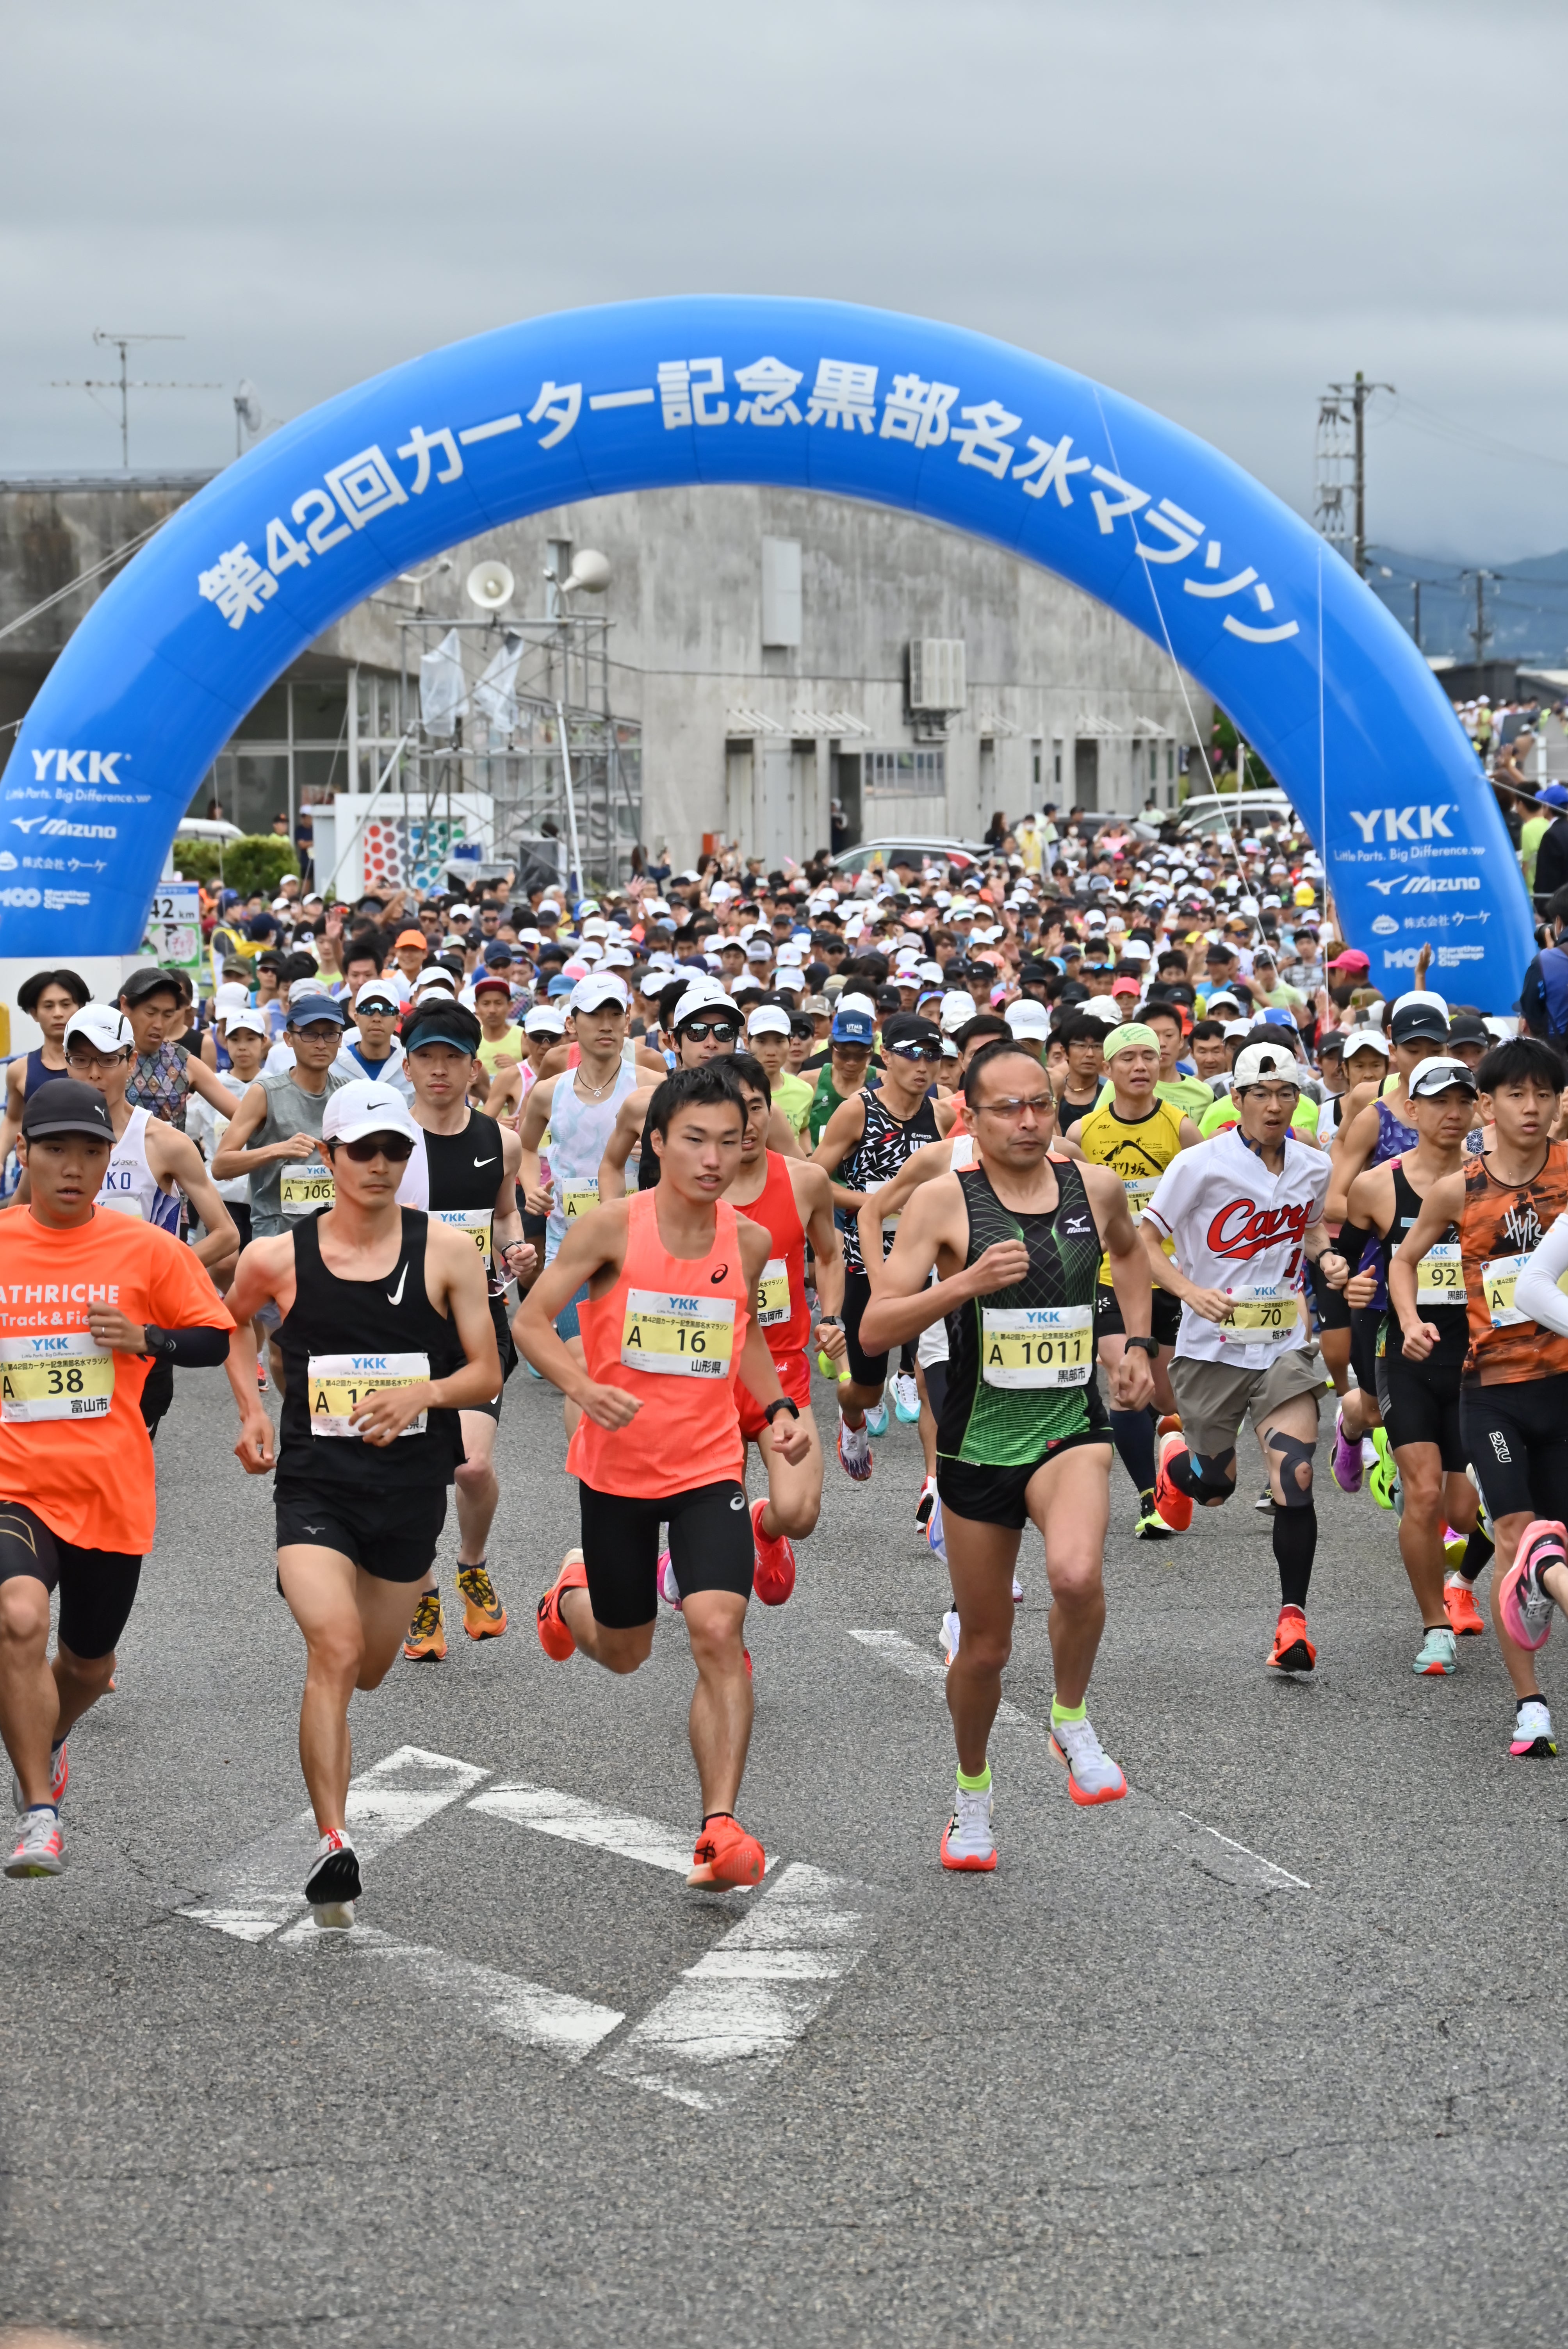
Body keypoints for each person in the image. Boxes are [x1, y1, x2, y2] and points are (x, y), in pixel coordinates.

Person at [859, 1039, 1155, 1868]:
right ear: (972, 1116)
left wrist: (1131, 1341)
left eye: (1041, 1105)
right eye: (1008, 1108)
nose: (1029, 1121)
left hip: (1067, 1424)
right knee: (985, 1647)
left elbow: (1130, 1255)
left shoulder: (1091, 1186)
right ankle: (971, 1791)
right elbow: (877, 1327)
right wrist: (962, 1284)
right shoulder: (941, 1205)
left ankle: (1069, 1719)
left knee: (1074, 1575)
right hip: (976, 1441)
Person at [517, 1063, 811, 1890]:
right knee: (623, 1651)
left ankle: (720, 1826)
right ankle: (567, 1593)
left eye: (729, 1140)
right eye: (695, 1139)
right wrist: (580, 1386)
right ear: (656, 1142)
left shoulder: (745, 1239)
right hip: (616, 1469)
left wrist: (775, 1408)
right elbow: (531, 1319)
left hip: (708, 1464)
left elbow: (742, 1332)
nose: (714, 1157)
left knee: (718, 1630)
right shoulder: (610, 1228)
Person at [223, 1079, 502, 1925]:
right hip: (315, 1487)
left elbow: (485, 1373)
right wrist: (250, 1407)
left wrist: (422, 1393)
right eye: (363, 1150)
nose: (379, 1165)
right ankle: (333, 1840)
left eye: (395, 1151)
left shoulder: (449, 1250)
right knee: (335, 1648)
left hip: (411, 1490)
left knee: (373, 1665)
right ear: (332, 1155)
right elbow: (237, 1327)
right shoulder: (275, 1256)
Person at [1, 1082, 232, 1877]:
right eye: (56, 1149)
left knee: (89, 1669)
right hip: (16, 1484)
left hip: (110, 1487)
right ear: (23, 1151)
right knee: (17, 1614)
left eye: (92, 1152)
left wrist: (145, 1337)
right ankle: (38, 1811)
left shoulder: (146, 1250)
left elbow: (213, 1341)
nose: (73, 1167)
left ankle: (47, 1732)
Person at [1391, 1037, 1568, 1759]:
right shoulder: (1456, 1188)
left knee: (1549, 1545)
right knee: (1514, 1537)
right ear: (1487, 1108)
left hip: (1563, 1386)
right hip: (1492, 1392)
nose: (1532, 1108)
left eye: (1545, 1095)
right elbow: (1403, 1260)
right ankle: (1529, 1704)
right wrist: (1406, 1322)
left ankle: (1536, 1588)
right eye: (1516, 1096)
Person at [1148, 1041, 1349, 1674]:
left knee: (1294, 1476)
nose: (1273, 1105)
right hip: (1210, 1348)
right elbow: (1141, 1239)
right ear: (1235, 1099)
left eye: (1285, 1093)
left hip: (1284, 1343)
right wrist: (1186, 1289)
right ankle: (1176, 1457)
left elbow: (1312, 1227)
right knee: (1215, 1488)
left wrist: (1324, 1258)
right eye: (1260, 1093)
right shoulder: (1198, 1165)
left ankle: (1293, 1621)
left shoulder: (1313, 1165)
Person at [392, 1002, 533, 1661]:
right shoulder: (385, 1143)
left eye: (453, 1056)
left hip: (477, 1324)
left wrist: (517, 1248)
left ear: (475, 1066)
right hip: (399, 1327)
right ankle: (421, 1593)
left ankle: (470, 1565)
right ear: (408, 1064)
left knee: (471, 1467)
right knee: (414, 1476)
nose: (439, 1069)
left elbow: (505, 1215)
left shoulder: (498, 1142)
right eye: (427, 1057)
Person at [1342, 1057, 1489, 1673]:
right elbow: (1345, 1263)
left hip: (1477, 1354)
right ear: (1412, 1110)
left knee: (1462, 1511)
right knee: (1424, 1496)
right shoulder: (1377, 1185)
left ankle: (1460, 1579)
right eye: (1439, 1103)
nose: (1452, 1115)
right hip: (1405, 1350)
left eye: (1463, 1102)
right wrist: (1346, 1285)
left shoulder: (1495, 1181)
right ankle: (1435, 1627)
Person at [1064, 1023, 1203, 1538]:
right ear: (1107, 1069)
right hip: (1109, 1276)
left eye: (1150, 1055)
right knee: (1126, 1385)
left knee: (1165, 1400)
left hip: (1171, 1276)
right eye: (1128, 1058)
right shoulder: (1085, 1133)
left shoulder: (1182, 1128)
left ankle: (1171, 1460)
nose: (1141, 1066)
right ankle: (1152, 1497)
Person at [812, 1012, 944, 1480]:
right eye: (911, 1053)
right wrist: (872, 1202)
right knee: (864, 1393)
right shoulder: (857, 1110)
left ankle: (935, 1488)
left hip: (927, 1265)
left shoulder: (942, 1113)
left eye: (933, 1054)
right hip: (865, 1263)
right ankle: (851, 1421)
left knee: (934, 1381)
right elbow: (815, 1179)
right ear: (885, 1056)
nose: (923, 1065)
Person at [1327, 998, 1449, 1493]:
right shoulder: (1375, 1115)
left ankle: (1427, 1501)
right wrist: (1394, 1220)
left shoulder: (1464, 1116)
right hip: (1378, 1290)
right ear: (1392, 1052)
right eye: (1411, 1049)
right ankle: (1350, 1424)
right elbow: (1335, 1199)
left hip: (1448, 1287)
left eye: (1433, 1049)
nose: (1421, 1059)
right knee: (1377, 1406)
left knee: (1446, 1404)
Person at [211, 996, 352, 1388]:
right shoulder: (266, 1093)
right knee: (283, 1347)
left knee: (335, 1340)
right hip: (278, 1238)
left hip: (336, 1236)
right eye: (310, 1034)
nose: (321, 1043)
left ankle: (326, 1422)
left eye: (330, 1034)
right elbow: (222, 1164)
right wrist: (277, 1149)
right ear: (289, 1039)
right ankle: (298, 1416)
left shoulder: (349, 1093)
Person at [0, 968, 91, 1168]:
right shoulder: (19, 1070)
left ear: (80, 1007)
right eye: (48, 1006)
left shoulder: (99, 1064)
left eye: (66, 1005)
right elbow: (14, 1120)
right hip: (35, 1174)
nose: (58, 1013)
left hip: (91, 1168)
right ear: (34, 1013)